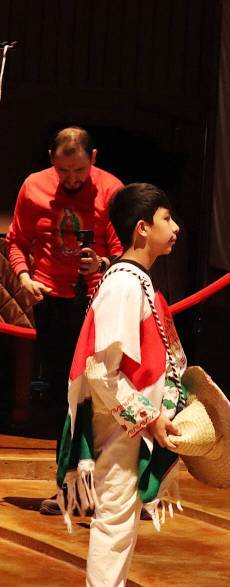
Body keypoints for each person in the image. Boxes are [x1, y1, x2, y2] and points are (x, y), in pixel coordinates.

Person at [57, 183, 184, 587]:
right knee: (113, 525)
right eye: (167, 219)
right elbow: (100, 371)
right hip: (116, 427)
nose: (175, 228)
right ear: (142, 228)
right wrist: (149, 418)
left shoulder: (135, 281)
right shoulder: (125, 284)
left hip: (125, 426)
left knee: (121, 526)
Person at [6, 127, 124, 516]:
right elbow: (16, 240)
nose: (71, 179)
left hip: (98, 301)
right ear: (51, 161)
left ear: (94, 158)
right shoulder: (34, 186)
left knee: (102, 397)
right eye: (63, 171)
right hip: (52, 302)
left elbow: (124, 249)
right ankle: (67, 487)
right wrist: (24, 277)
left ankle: (107, 487)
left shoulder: (111, 189)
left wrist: (101, 263)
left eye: (79, 171)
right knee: (64, 396)